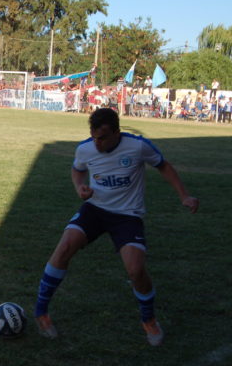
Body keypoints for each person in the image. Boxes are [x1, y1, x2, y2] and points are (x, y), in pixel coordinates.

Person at [34, 108, 199, 346]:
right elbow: (77, 170)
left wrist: (184, 195)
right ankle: (41, 312)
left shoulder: (138, 146)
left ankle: (149, 320)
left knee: (135, 270)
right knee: (65, 247)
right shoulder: (85, 148)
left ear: (116, 133)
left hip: (127, 216)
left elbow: (163, 166)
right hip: (95, 210)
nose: (97, 143)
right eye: (93, 136)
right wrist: (80, 187)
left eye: (102, 137)